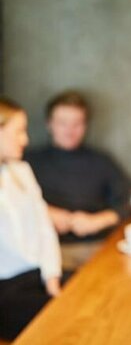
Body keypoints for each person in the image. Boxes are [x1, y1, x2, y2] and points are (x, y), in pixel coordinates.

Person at [25, 91, 130, 271]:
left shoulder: (101, 161)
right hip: (49, 250)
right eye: (62, 123)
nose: (70, 130)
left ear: (85, 125)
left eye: (77, 123)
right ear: (49, 124)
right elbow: (11, 204)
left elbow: (127, 202)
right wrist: (46, 213)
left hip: (98, 247)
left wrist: (98, 220)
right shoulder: (29, 162)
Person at [0, 97, 62, 341]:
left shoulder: (22, 171)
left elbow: (45, 228)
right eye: (19, 132)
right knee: (64, 323)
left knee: (91, 298)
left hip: (40, 275)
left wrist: (52, 279)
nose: (25, 140)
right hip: (6, 289)